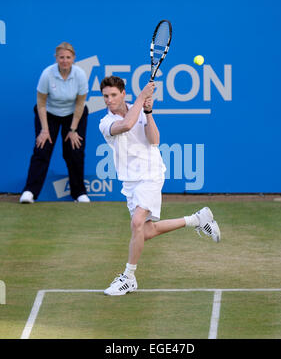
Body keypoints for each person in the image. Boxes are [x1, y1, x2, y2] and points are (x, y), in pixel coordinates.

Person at [99, 76, 221, 296]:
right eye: (105, 96)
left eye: (113, 95)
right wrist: (142, 98)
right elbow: (126, 125)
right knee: (145, 231)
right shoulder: (105, 123)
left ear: (122, 93)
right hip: (130, 181)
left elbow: (154, 140)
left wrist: (148, 113)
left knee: (137, 222)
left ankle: (128, 277)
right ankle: (197, 219)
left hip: (151, 173)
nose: (109, 100)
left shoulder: (139, 110)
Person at [20, 42, 90, 203]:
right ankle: (30, 192)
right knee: (42, 148)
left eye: (68, 57)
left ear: (73, 58)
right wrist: (44, 130)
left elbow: (80, 104)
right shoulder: (47, 74)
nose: (65, 60)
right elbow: (41, 103)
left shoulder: (79, 75)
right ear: (56, 58)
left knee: (75, 151)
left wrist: (72, 130)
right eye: (61, 57)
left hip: (74, 115)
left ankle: (79, 193)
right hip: (48, 113)